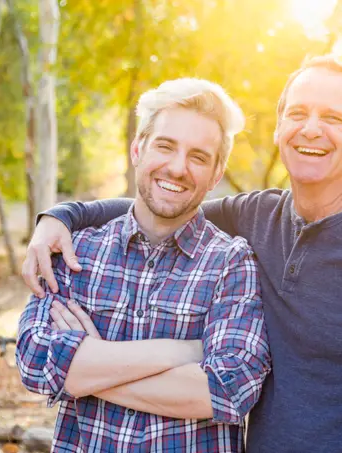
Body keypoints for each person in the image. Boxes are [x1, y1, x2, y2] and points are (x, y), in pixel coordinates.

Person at [22, 56, 342, 452]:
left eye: (333, 118)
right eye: (297, 113)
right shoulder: (257, 215)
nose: (311, 129)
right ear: (279, 129)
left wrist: (85, 373)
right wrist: (62, 216)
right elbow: (167, 199)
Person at [16, 78, 271, 453]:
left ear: (217, 174)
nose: (178, 168)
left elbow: (229, 390)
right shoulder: (77, 251)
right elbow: (35, 361)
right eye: (165, 146)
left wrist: (88, 364)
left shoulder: (231, 262)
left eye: (198, 157)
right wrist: (182, 352)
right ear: (138, 148)